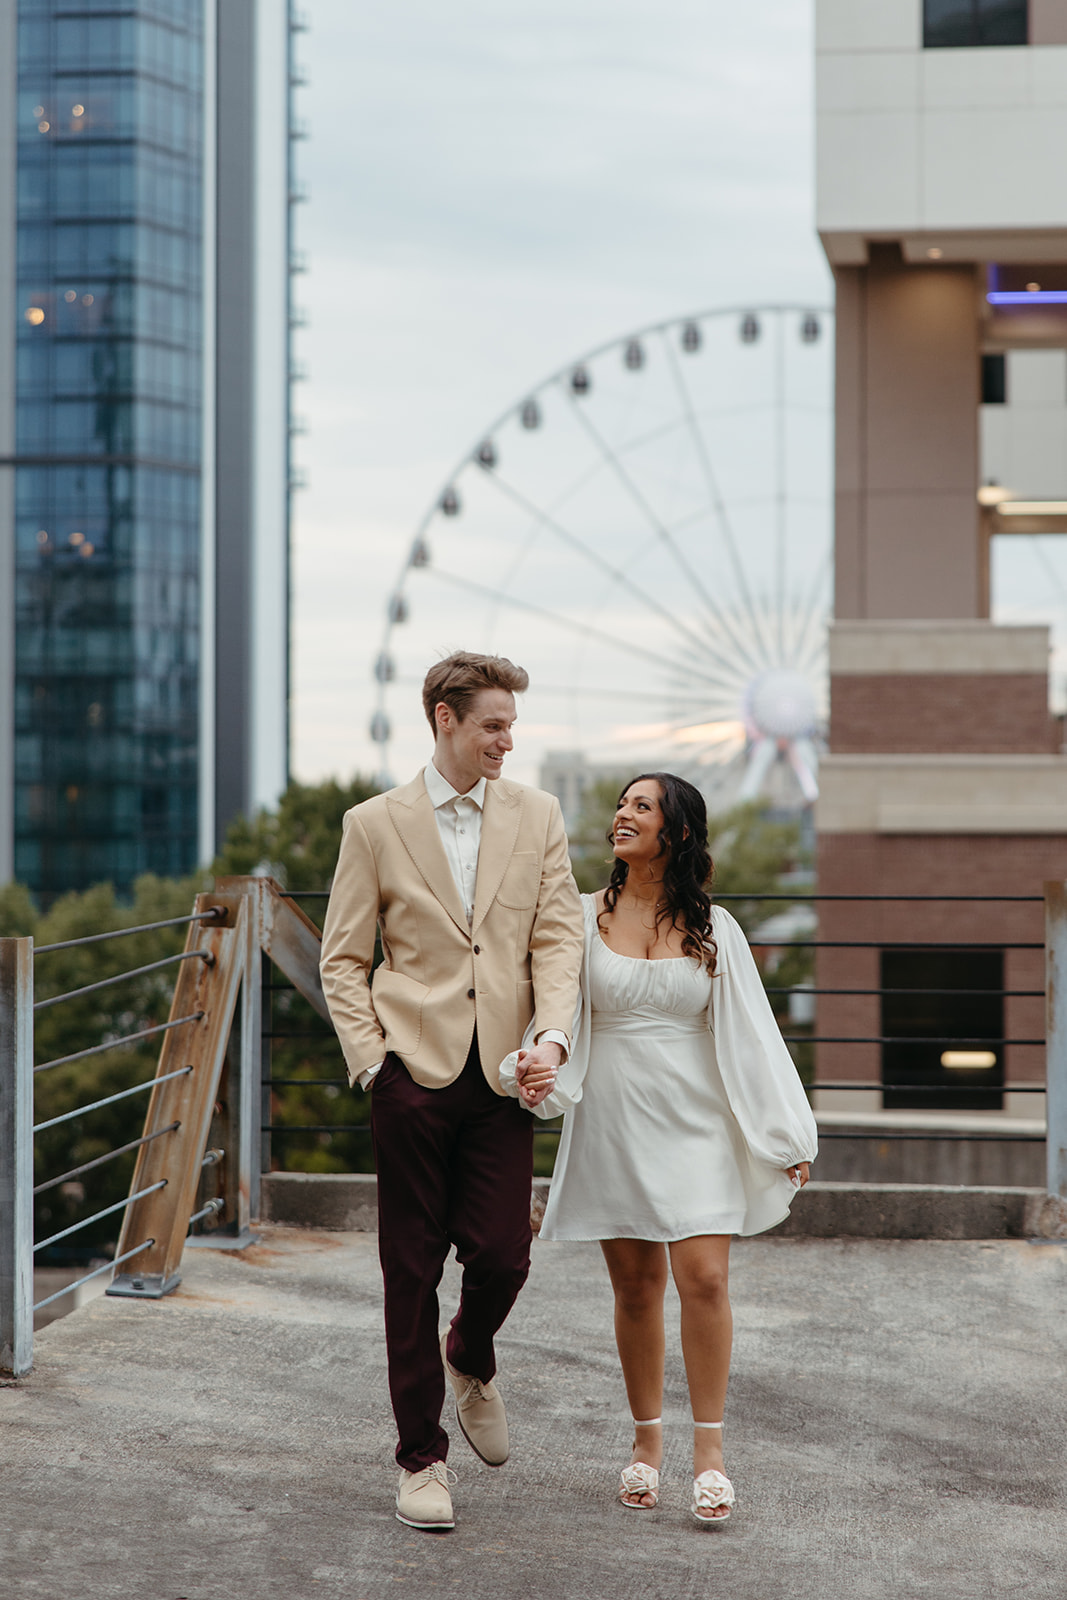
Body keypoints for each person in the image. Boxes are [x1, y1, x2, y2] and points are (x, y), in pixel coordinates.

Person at [502, 772, 817, 1527]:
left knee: (704, 1277)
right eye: (620, 803)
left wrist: (783, 1133)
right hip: (612, 1115)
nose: (621, 815)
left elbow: (751, 1036)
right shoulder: (577, 919)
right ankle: (646, 1444)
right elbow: (553, 1010)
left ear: (675, 831)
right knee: (637, 1288)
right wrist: (532, 1065)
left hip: (697, 1119)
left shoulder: (717, 928)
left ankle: (709, 1454)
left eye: (640, 806)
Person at [319, 651, 583, 1533]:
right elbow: (344, 958)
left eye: (511, 724)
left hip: (506, 1075)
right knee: (409, 1267)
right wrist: (372, 1062)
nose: (508, 740)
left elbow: (555, 940)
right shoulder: (373, 824)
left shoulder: (537, 815)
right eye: (493, 725)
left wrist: (549, 1036)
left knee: (505, 1254)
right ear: (444, 720)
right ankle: (420, 1459)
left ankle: (469, 1354)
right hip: (411, 1073)